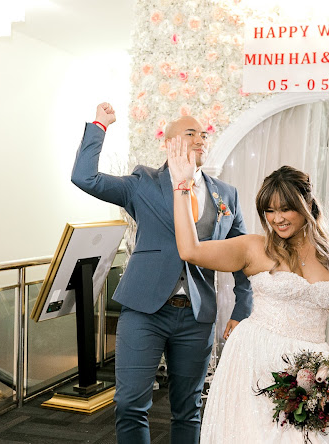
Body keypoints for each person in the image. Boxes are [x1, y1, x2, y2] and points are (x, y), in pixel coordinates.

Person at [71, 103, 253, 443]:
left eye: (203, 134)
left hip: (197, 316)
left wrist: (243, 308)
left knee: (188, 408)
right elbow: (84, 177)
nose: (201, 139)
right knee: (129, 404)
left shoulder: (225, 194)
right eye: (190, 133)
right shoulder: (143, 182)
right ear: (169, 143)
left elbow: (243, 252)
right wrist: (100, 125)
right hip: (144, 311)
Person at [166, 138, 329, 443]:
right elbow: (189, 250)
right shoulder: (253, 248)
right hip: (253, 358)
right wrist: (181, 186)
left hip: (313, 365)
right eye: (269, 211)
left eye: (286, 209)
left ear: (308, 205)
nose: (277, 219)